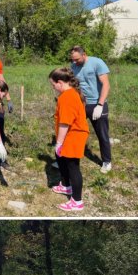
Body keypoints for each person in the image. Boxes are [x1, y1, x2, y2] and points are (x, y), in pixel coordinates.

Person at [49, 68, 90, 212]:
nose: (53, 88)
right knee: (61, 159)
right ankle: (66, 186)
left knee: (73, 167)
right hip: (71, 133)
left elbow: (65, 123)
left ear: (60, 83)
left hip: (74, 134)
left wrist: (59, 142)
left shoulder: (66, 97)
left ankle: (77, 202)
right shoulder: (71, 93)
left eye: (53, 85)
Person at [70, 46, 113, 174]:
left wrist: (100, 105)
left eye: (77, 59)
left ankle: (106, 161)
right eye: (72, 60)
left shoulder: (97, 63)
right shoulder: (73, 66)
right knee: (73, 131)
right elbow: (74, 85)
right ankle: (69, 158)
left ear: (84, 55)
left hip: (97, 104)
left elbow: (106, 84)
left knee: (102, 134)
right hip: (81, 104)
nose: (74, 62)